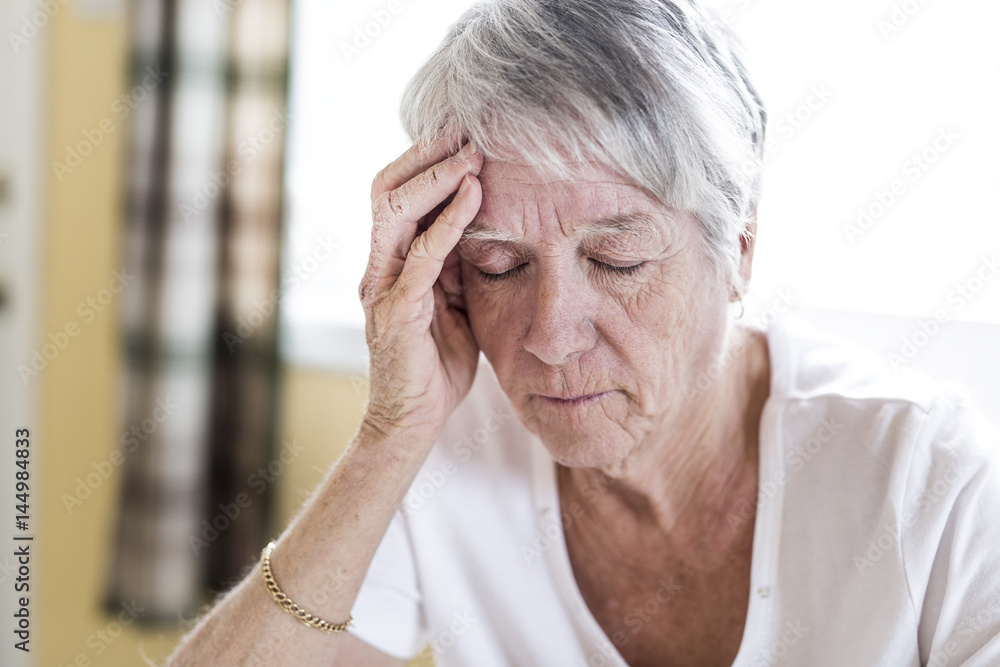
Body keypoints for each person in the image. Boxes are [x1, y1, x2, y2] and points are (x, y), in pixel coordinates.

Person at [166, 0, 1000, 665]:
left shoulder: (929, 477)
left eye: (615, 258)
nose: (551, 337)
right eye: (498, 264)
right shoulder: (444, 451)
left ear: (739, 247)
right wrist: (390, 435)